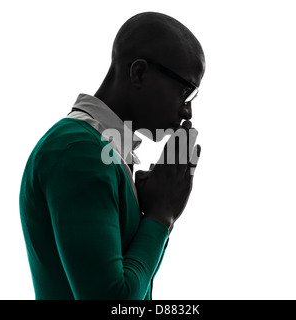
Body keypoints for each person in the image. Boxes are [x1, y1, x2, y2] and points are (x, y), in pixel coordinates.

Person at [19, 11, 205, 300]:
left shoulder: (100, 152)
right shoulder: (80, 153)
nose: (187, 111)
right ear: (139, 73)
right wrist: (161, 216)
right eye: (185, 91)